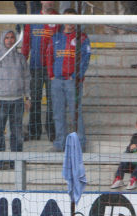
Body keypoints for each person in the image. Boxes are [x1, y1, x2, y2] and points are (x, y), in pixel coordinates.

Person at [46, 8, 91, 152]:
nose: (70, 23)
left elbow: (85, 59)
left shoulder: (82, 38)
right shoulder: (56, 37)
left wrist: (77, 76)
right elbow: (49, 57)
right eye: (67, 19)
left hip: (73, 81)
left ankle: (81, 143)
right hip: (57, 81)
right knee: (58, 113)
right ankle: (60, 143)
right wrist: (51, 75)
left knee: (75, 113)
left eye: (73, 19)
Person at [0, 30, 31, 170]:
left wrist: (27, 97)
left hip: (17, 101)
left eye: (12, 38)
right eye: (7, 38)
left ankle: (15, 163)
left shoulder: (20, 58)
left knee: (17, 134)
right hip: (0, 101)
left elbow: (27, 78)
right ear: (2, 40)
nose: (10, 40)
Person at [22, 1, 59, 141]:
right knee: (35, 100)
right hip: (35, 67)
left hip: (54, 68)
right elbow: (26, 43)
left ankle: (51, 132)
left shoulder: (60, 19)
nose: (49, 2)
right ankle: (34, 131)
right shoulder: (32, 19)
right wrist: (23, 62)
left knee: (52, 101)